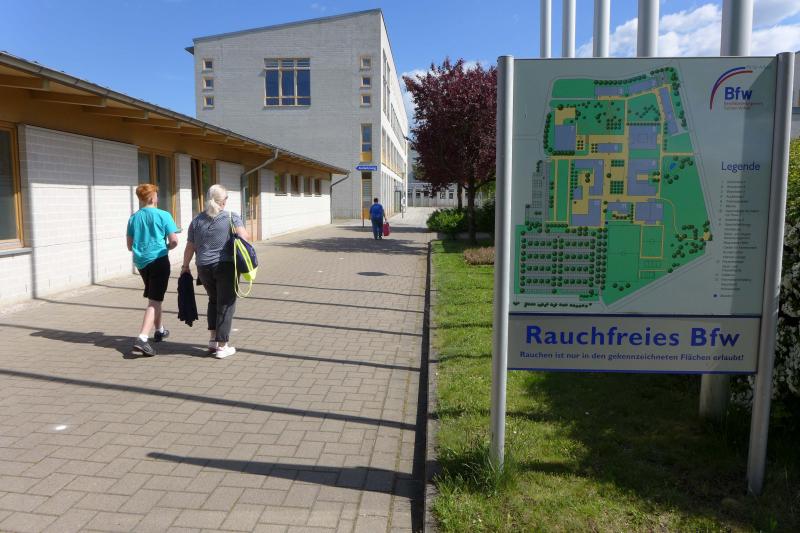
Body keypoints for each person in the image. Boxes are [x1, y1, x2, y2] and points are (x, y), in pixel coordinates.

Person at [182, 184, 250, 359]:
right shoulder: (231, 217)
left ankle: (213, 340)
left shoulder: (196, 220)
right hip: (225, 266)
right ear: (223, 201)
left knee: (213, 300)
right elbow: (244, 237)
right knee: (226, 304)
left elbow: (190, 246)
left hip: (203, 267)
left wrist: (185, 266)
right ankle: (222, 346)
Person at [126, 183, 179, 357]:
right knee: (154, 301)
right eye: (156, 193)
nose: (157, 196)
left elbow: (129, 246)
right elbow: (174, 241)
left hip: (142, 263)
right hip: (159, 260)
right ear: (152, 197)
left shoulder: (133, 218)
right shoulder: (164, 215)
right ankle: (142, 338)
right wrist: (166, 247)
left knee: (155, 297)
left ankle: (159, 330)